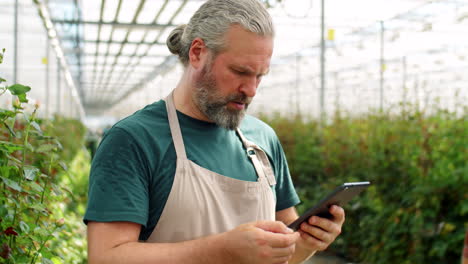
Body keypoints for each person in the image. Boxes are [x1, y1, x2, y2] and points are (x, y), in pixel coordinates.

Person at [84, 0, 345, 263]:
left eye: (260, 76)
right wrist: (222, 251)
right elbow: (107, 256)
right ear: (197, 53)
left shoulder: (263, 138)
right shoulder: (134, 140)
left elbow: (287, 249)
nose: (251, 90)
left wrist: (310, 240)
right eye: (240, 71)